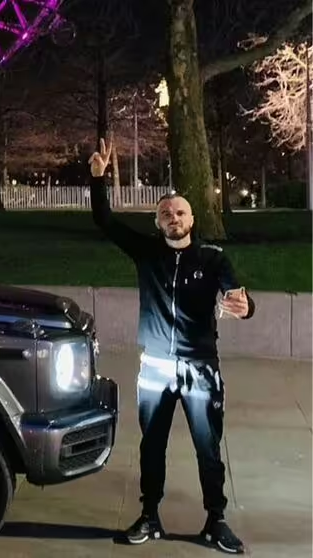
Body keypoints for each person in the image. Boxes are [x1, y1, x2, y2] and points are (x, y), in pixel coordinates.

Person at [88, 139, 254, 555]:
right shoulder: (146, 253)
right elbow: (105, 221)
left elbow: (238, 296)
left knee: (207, 447)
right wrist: (98, 179)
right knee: (152, 445)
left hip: (200, 368)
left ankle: (216, 520)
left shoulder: (213, 258)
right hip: (156, 367)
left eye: (180, 212)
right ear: (158, 222)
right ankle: (149, 515)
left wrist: (245, 306)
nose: (173, 218)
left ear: (192, 219)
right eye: (166, 214)